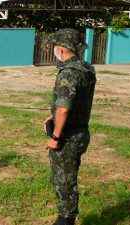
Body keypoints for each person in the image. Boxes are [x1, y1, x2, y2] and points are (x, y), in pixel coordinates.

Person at [43, 29, 96, 225]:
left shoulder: (68, 73)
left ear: (62, 49)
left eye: (55, 47)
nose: (54, 50)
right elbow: (76, 101)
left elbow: (64, 109)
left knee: (64, 181)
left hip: (68, 136)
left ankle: (66, 220)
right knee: (69, 176)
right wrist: (53, 116)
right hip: (81, 131)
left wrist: (55, 137)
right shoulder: (86, 69)